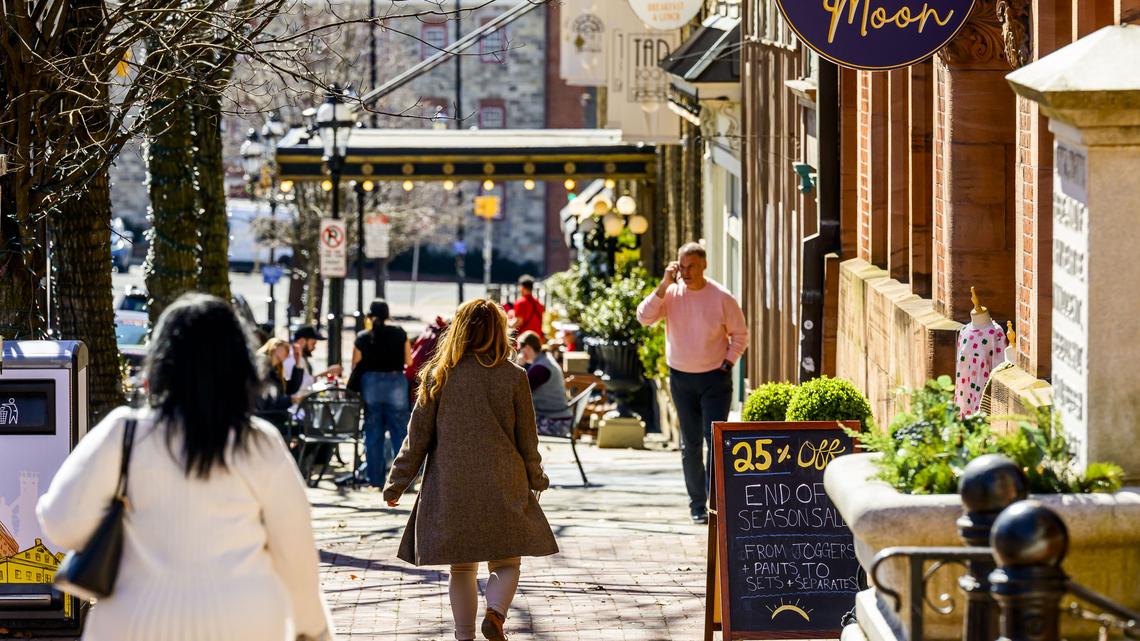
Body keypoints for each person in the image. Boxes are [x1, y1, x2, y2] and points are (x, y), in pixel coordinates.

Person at [37, 293, 335, 641]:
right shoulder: (259, 443)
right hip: (245, 623)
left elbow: (61, 522)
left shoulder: (124, 434)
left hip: (134, 623)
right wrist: (313, 628)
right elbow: (296, 554)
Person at [383, 299, 558, 641]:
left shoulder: (438, 376)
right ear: (500, 331)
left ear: (458, 331)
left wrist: (396, 483)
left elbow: (417, 438)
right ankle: (495, 612)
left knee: (461, 566)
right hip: (504, 481)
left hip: (452, 484)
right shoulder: (514, 377)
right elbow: (528, 439)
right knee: (506, 561)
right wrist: (537, 478)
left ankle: (464, 635)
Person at [636, 242, 749, 524]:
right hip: (681, 378)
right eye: (682, 267)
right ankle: (697, 505)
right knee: (690, 443)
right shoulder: (671, 294)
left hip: (715, 378)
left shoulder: (721, 297)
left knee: (715, 441)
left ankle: (716, 502)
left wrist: (728, 363)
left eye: (692, 267)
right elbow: (644, 318)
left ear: (704, 266)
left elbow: (740, 335)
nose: (686, 272)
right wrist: (664, 284)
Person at [350, 299, 412, 488]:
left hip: (371, 385)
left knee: (373, 433)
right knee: (400, 433)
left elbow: (355, 364)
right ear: (387, 314)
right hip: (396, 383)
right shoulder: (400, 333)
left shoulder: (363, 337)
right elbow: (409, 361)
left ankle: (375, 479)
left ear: (369, 316)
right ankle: (403, 480)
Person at [516, 330, 573, 437]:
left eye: (520, 349)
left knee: (514, 428)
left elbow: (518, 391)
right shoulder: (545, 359)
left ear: (527, 348)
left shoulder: (540, 368)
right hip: (559, 417)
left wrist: (518, 366)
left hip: (555, 422)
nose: (519, 353)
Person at [284, 325, 342, 397]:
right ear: (302, 341)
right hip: (297, 401)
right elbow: (301, 384)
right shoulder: (292, 357)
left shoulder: (298, 357)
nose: (314, 347)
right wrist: (326, 373)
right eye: (313, 343)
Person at [255, 337, 295, 433]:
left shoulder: (276, 370)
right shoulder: (261, 363)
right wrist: (291, 400)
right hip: (264, 418)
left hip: (271, 416)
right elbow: (266, 401)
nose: (288, 353)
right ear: (275, 347)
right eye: (286, 349)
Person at [509, 275, 545, 340]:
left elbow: (518, 321)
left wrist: (507, 326)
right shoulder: (538, 303)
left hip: (524, 340)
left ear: (522, 287)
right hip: (537, 339)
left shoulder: (521, 302)